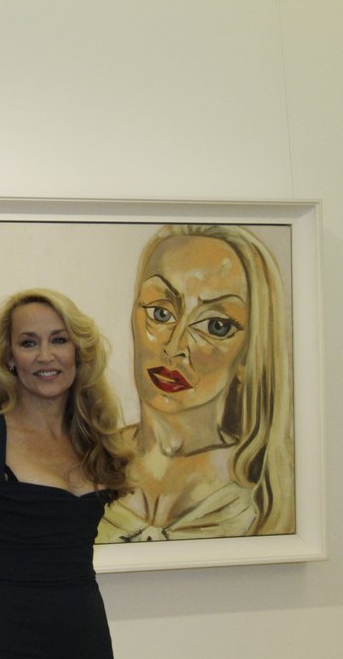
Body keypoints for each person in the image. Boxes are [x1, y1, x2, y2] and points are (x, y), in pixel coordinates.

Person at [0, 289, 130, 658]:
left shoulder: (94, 437)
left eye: (59, 340)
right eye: (28, 343)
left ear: (78, 350)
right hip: (1, 642)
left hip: (86, 637)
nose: (45, 355)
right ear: (9, 357)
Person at [97, 224, 294, 542]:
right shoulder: (86, 455)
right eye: (160, 313)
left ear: (249, 353)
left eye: (216, 326)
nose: (174, 348)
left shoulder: (275, 482)